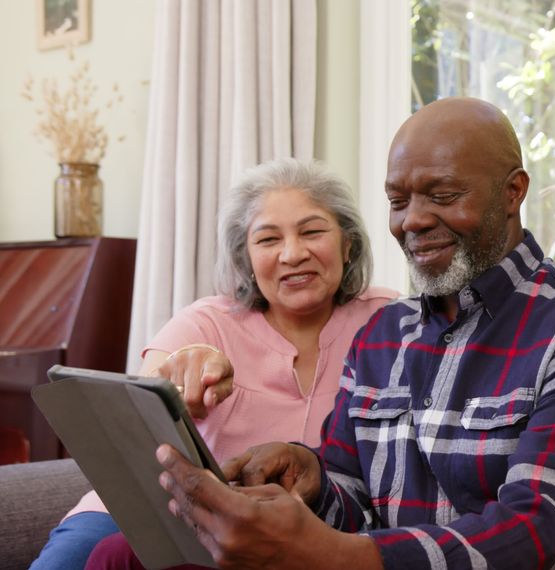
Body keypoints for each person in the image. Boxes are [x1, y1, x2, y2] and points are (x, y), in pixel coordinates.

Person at [87, 97, 555, 569]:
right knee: (119, 557)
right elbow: (350, 493)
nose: (412, 220)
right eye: (398, 200)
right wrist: (309, 477)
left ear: (513, 192)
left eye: (443, 194)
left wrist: (335, 553)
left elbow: (538, 532)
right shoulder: (386, 332)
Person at [31, 158, 397, 570]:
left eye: (312, 232)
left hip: (287, 530)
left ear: (348, 244)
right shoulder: (205, 322)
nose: (293, 253)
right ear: (246, 257)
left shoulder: (390, 322)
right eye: (268, 240)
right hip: (153, 508)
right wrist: (180, 381)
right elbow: (139, 404)